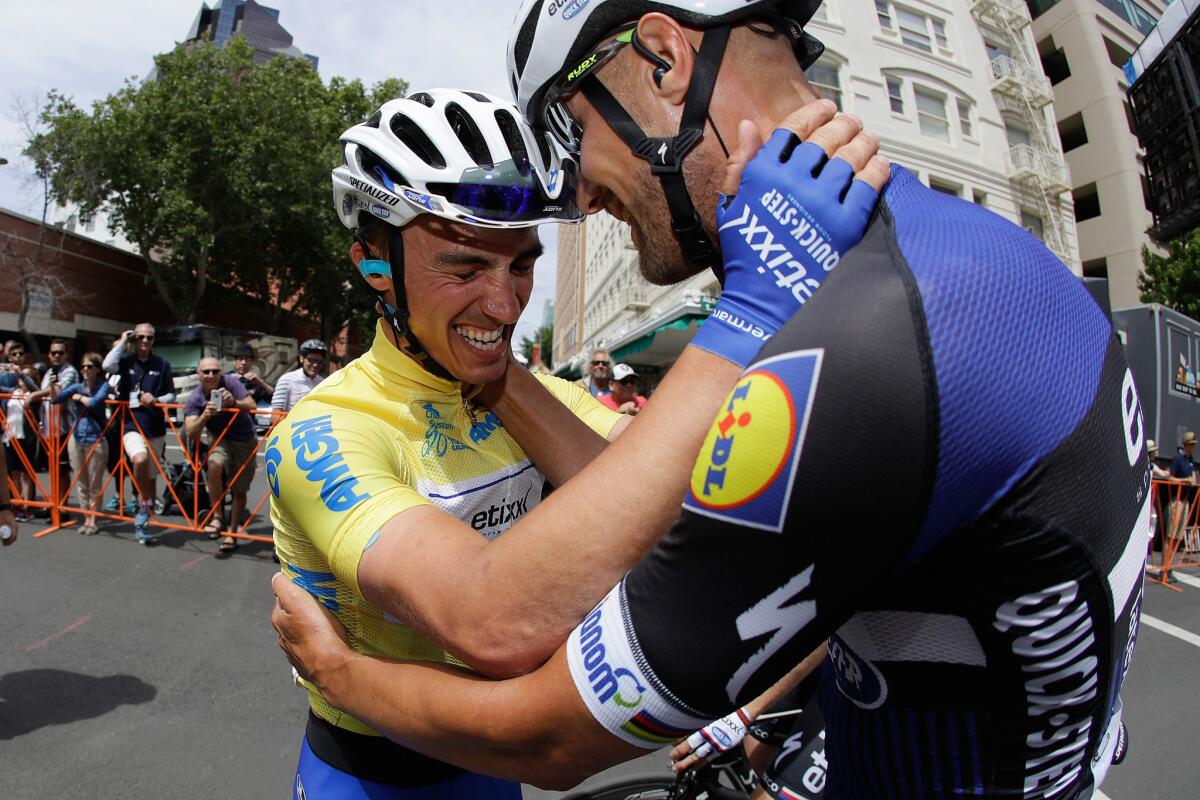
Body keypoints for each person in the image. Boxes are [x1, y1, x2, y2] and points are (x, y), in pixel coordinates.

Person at [271, 2, 1144, 797]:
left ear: (662, 56)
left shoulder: (852, 332)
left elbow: (543, 715)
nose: (577, 194)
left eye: (572, 139)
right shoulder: (969, 258)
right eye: (466, 265)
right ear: (379, 267)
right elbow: (661, 502)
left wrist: (342, 676)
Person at [269, 88, 635, 799]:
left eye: (521, 266)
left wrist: (505, 380)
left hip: (496, 767)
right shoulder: (328, 428)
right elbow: (491, 623)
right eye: (466, 269)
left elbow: (674, 512)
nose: (505, 305)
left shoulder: (532, 393)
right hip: (369, 775)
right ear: (376, 266)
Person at [103, 323, 175, 545]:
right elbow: (107, 365)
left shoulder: (162, 364)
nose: (144, 341)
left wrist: (157, 400)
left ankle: (143, 521)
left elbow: (171, 395)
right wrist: (123, 341)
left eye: (149, 338)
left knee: (152, 477)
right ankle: (144, 503)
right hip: (131, 425)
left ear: (154, 340)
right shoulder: (126, 361)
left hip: (155, 427)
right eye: (140, 337)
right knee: (139, 459)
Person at [183, 357, 259, 553]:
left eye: (215, 371)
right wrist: (204, 416)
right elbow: (190, 431)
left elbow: (251, 405)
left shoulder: (230, 383)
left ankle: (232, 533)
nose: (211, 376)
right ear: (198, 375)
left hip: (245, 440)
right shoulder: (196, 397)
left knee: (239, 488)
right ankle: (217, 517)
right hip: (221, 439)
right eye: (206, 372)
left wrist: (233, 402)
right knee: (214, 466)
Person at [51, 352, 111, 534]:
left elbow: (94, 402)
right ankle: (86, 517)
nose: (85, 370)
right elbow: (56, 399)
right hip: (77, 437)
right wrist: (53, 385)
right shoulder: (77, 386)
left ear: (97, 369)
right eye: (83, 366)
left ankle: (93, 519)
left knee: (94, 482)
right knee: (81, 481)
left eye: (89, 366)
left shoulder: (104, 386)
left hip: (96, 438)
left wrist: (78, 398)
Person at [29, 339, 79, 511]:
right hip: (48, 429)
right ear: (49, 355)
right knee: (52, 469)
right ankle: (54, 504)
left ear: (66, 354)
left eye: (60, 352)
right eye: (54, 353)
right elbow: (48, 394)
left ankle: (62, 507)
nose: (57, 356)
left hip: (64, 428)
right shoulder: (50, 371)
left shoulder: (70, 371)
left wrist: (34, 394)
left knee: (62, 470)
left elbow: (57, 392)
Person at [271, 340, 326, 414]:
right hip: (291, 424)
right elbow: (275, 415)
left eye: (320, 362)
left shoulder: (324, 383)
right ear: (302, 359)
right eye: (311, 360)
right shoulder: (286, 380)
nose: (315, 365)